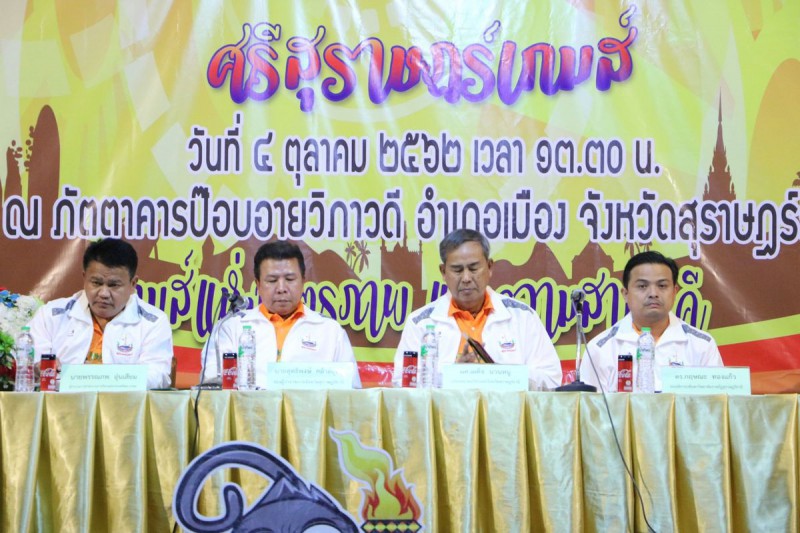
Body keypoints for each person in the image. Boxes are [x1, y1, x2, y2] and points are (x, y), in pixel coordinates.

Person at [393, 229, 562, 390]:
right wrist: (454, 376)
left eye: (473, 268)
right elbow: (402, 385)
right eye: (457, 270)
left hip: (506, 411)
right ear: (443, 272)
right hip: (445, 412)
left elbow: (551, 379)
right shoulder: (420, 323)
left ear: (489, 267)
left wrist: (499, 375)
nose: (466, 278)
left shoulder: (523, 317)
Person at [205, 241, 361, 388]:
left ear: (303, 282)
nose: (281, 288)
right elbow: (212, 386)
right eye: (272, 280)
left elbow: (352, 392)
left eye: (290, 279)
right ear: (258, 285)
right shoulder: (232, 327)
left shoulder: (330, 331)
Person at [28, 238, 174, 389]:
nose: (104, 293)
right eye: (96, 283)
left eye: (113, 285)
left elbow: (157, 375)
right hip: (62, 402)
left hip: (122, 403)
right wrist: (39, 367)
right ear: (84, 278)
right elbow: (30, 362)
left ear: (133, 284)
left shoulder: (153, 322)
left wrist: (98, 379)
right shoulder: (51, 315)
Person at [581, 250, 723, 392]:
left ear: (675, 292)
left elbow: (715, 402)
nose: (653, 294)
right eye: (642, 286)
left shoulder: (702, 345)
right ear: (625, 294)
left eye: (662, 286)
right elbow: (590, 405)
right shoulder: (600, 350)